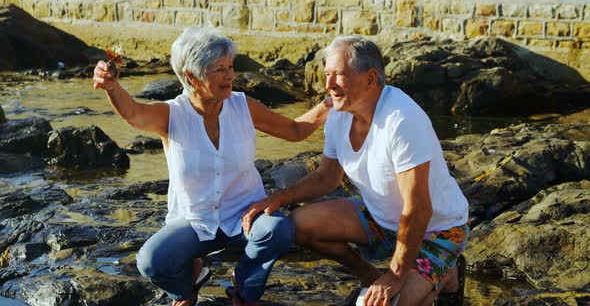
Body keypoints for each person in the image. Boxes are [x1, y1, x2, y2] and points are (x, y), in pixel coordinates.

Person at [92, 27, 332, 306]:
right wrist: (112, 87)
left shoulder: (244, 106)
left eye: (230, 67)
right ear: (192, 77)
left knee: (278, 230)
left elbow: (294, 130)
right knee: (151, 261)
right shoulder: (172, 115)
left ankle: (243, 291)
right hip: (195, 221)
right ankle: (188, 287)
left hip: (244, 217)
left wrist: (328, 105)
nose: (230, 75)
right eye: (219, 69)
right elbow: (133, 112)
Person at [242, 36, 470, 306]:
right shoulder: (339, 113)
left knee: (390, 304)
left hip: (436, 231)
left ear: (371, 79)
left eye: (338, 75)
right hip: (381, 219)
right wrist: (278, 198)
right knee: (300, 225)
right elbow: (326, 177)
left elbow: (418, 208)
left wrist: (396, 276)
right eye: (327, 74)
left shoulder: (402, 120)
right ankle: (370, 276)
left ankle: (448, 275)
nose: (328, 85)